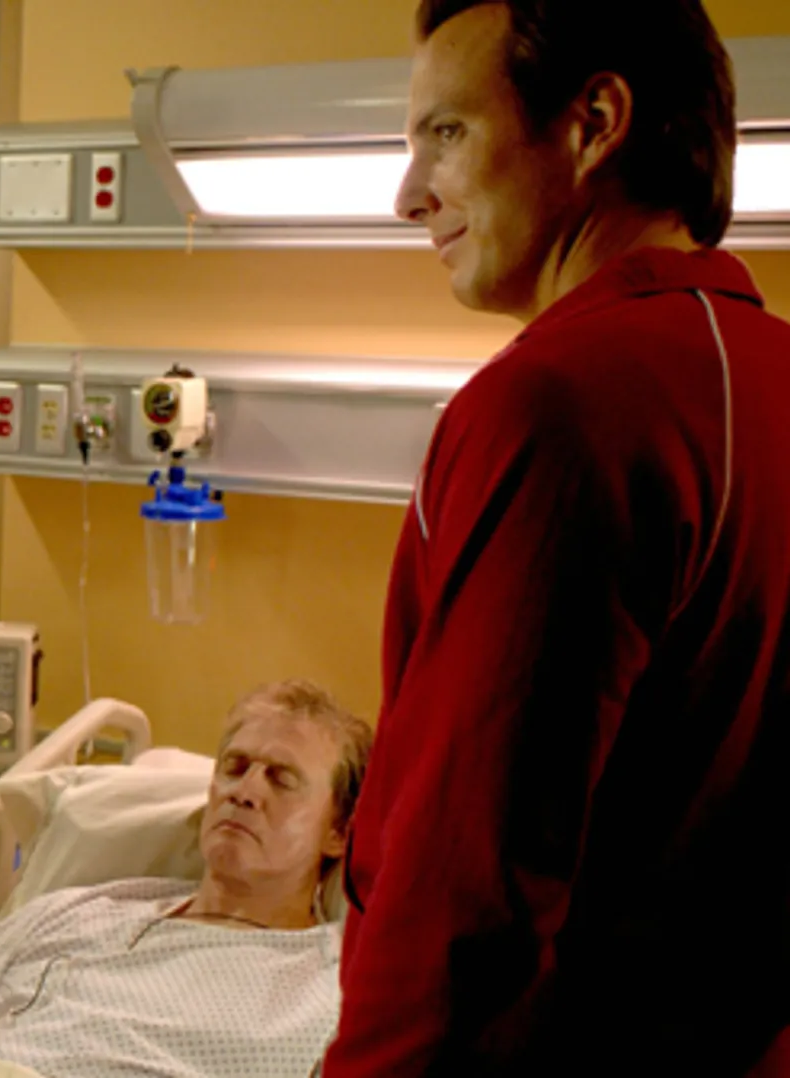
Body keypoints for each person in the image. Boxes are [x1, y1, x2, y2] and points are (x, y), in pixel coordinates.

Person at [324, 2, 790, 1075]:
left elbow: (465, 895)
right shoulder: (771, 380)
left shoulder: (561, 405)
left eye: (447, 133)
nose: (409, 195)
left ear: (594, 123)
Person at [0, 681, 373, 1078]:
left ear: (337, 832)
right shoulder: (74, 912)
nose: (244, 791)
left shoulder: (334, 990)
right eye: (235, 767)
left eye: (281, 779)